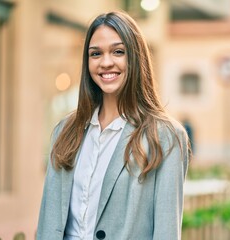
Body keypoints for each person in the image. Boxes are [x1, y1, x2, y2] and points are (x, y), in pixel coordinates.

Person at [37, 11, 190, 240]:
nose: (106, 62)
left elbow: (166, 232)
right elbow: (49, 222)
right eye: (96, 53)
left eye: (118, 52)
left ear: (135, 58)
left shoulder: (166, 136)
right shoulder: (65, 131)